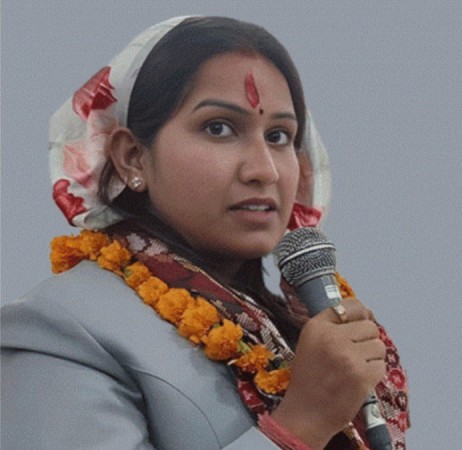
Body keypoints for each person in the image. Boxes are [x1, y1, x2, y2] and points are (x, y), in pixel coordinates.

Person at [1, 16, 409, 450]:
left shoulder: (287, 330)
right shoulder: (63, 329)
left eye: (279, 136)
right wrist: (300, 423)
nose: (264, 170)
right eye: (219, 128)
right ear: (133, 157)